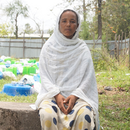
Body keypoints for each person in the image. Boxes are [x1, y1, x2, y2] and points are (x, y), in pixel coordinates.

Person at [35, 8, 99, 130]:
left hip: (79, 97)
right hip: (52, 96)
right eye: (64, 21)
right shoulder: (48, 47)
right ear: (58, 24)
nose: (68, 24)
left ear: (78, 25)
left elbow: (88, 77)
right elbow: (44, 76)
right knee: (47, 114)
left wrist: (74, 95)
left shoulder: (82, 49)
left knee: (85, 114)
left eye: (72, 21)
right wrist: (57, 94)